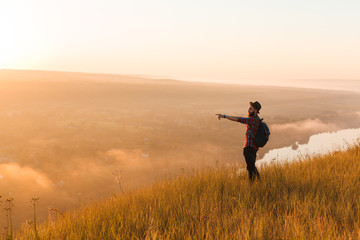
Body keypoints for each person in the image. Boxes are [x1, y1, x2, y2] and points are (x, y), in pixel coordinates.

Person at [216, 101, 262, 183]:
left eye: (250, 109)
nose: (248, 110)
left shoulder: (253, 120)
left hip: (249, 148)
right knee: (251, 167)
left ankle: (254, 183)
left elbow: (239, 119)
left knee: (250, 167)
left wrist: (225, 116)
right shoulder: (257, 119)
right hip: (254, 148)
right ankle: (258, 183)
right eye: (249, 108)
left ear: (255, 110)